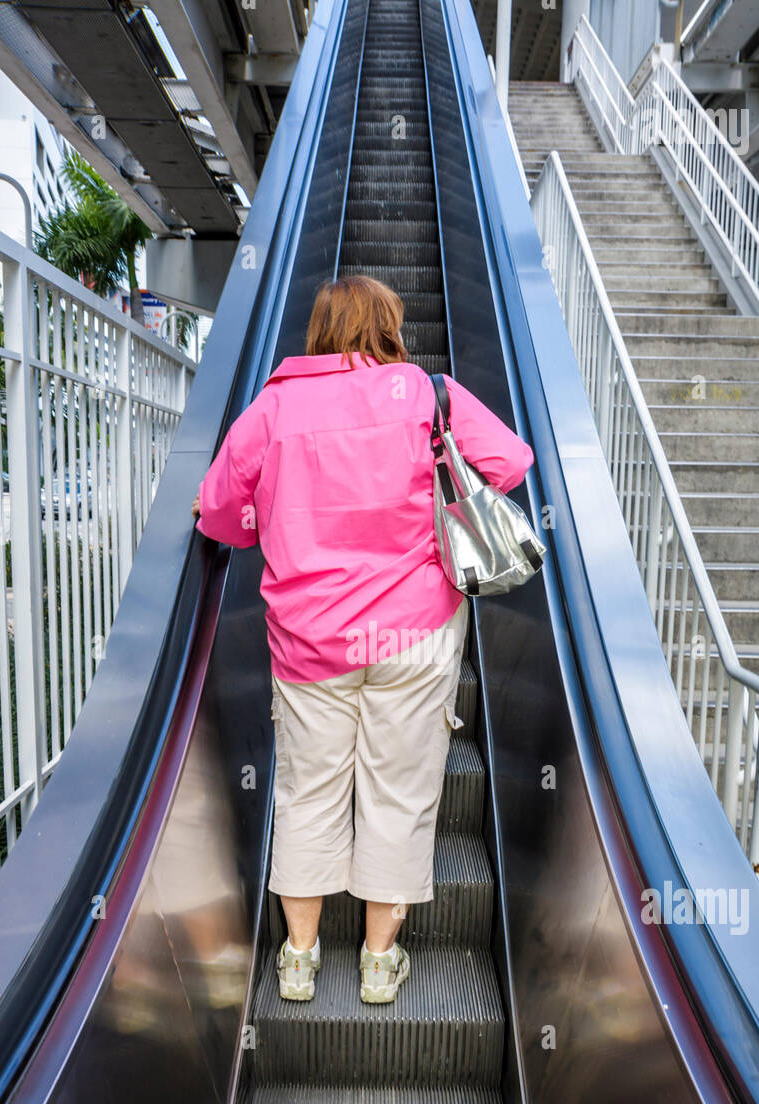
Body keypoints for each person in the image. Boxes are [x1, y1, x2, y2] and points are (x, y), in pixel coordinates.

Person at [193, 275, 533, 1005]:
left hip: (310, 642)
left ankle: (299, 958)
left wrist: (265, 524)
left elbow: (219, 511)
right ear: (386, 326)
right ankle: (379, 964)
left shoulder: (275, 405)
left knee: (308, 793)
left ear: (320, 329)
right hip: (415, 633)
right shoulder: (424, 393)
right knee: (400, 792)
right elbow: (511, 463)